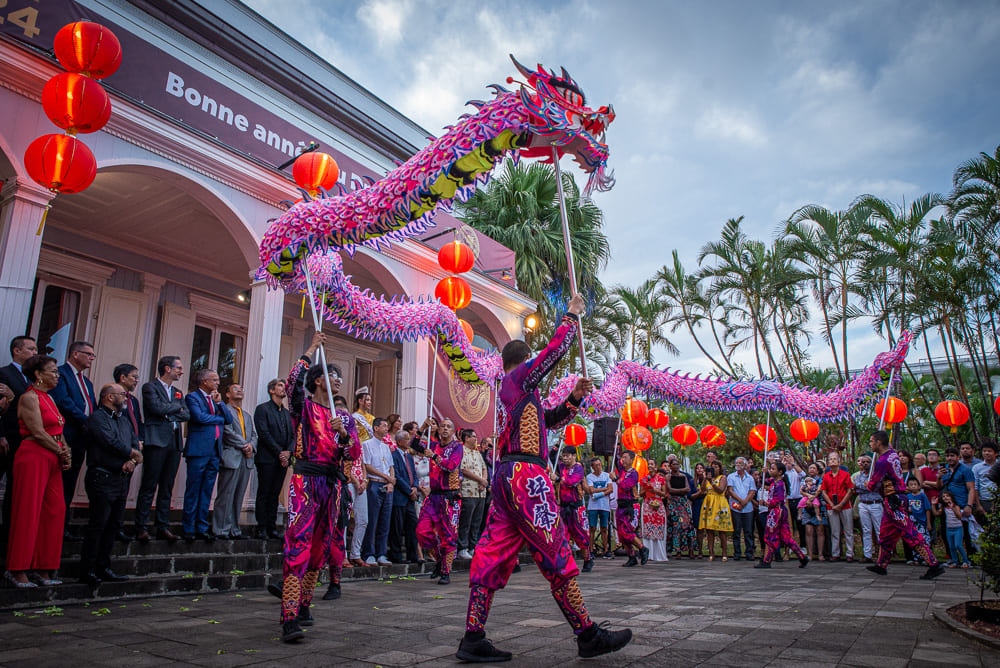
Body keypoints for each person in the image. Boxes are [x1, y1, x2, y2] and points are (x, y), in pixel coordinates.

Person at [457, 294, 632, 662]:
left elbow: (547, 421)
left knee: (490, 554)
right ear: (522, 363)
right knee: (555, 551)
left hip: (508, 476)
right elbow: (551, 354)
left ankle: (473, 637)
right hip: (525, 477)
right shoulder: (516, 379)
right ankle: (587, 633)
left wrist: (573, 399)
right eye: (530, 363)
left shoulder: (520, 395)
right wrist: (571, 315)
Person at [279, 332, 360, 642]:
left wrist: (343, 436)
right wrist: (311, 348)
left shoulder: (345, 419)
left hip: (333, 485)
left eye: (339, 377)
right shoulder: (304, 408)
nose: (337, 381)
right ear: (318, 381)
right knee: (297, 545)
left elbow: (351, 455)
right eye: (332, 376)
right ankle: (288, 618)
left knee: (320, 549)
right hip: (306, 482)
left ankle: (304, 605)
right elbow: (291, 383)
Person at [4, 355, 68, 588]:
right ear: (39, 374)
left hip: (53, 457)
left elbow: (58, 429)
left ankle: (43, 567)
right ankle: (17, 568)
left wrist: (65, 450)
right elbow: (38, 432)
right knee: (28, 511)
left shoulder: (49, 398)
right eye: (53, 372)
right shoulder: (29, 397)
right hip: (34, 454)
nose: (57, 376)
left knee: (54, 510)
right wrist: (60, 451)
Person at [80, 383, 142, 586]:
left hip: (121, 478)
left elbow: (134, 443)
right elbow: (108, 441)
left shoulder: (123, 420)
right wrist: (130, 454)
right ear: (108, 397)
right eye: (121, 395)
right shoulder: (97, 418)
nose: (125, 398)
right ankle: (87, 569)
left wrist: (132, 460)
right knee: (98, 524)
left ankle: (104, 567)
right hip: (102, 476)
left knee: (113, 525)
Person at [865, 430, 943, 579]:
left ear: (878, 443)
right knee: (886, 534)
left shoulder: (882, 462)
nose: (870, 444)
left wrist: (867, 484)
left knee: (910, 532)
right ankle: (881, 565)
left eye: (872, 441)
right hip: (892, 501)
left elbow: (873, 485)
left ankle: (933, 564)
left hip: (895, 501)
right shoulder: (893, 454)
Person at [135, 356, 189, 542]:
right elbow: (156, 408)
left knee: (167, 487)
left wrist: (170, 410)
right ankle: (141, 526)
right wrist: (175, 409)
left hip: (174, 443)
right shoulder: (150, 387)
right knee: (149, 485)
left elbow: (186, 413)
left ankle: (162, 526)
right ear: (167, 368)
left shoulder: (178, 392)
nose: (181, 371)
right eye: (179, 368)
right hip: (156, 441)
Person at [49, 340, 97, 538]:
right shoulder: (60, 374)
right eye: (89, 354)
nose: (92, 358)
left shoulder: (86, 382)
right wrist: (85, 419)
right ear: (75, 354)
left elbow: (91, 404)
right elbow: (63, 402)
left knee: (69, 482)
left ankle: (63, 524)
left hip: (81, 438)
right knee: (58, 481)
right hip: (65, 435)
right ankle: (53, 525)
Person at [182, 368, 230, 541]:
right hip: (198, 450)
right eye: (215, 380)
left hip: (214, 452)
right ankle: (188, 527)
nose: (218, 383)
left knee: (207, 491)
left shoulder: (215, 400)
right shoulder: (193, 397)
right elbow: (199, 417)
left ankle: (202, 527)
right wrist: (219, 419)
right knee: (193, 490)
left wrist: (220, 404)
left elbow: (229, 419)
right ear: (204, 381)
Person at [415, 417, 463, 584]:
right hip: (433, 496)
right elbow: (414, 445)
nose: (444, 429)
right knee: (422, 531)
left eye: (448, 426)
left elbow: (451, 466)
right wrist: (422, 427)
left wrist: (434, 457)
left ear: (452, 431)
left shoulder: (457, 447)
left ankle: (445, 571)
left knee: (448, 536)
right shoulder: (433, 445)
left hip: (449, 498)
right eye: (442, 426)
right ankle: (439, 558)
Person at [0, 336, 37, 542]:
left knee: (15, 490)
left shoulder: (31, 379)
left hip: (24, 442)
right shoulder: (4, 373)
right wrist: (1, 435)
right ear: (17, 351)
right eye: (31, 349)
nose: (34, 353)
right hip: (7, 437)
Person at [214, 384, 257, 539]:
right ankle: (221, 529)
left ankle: (234, 528)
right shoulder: (225, 411)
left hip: (246, 459)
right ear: (227, 394)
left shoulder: (246, 415)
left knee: (238, 496)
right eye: (235, 389)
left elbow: (253, 434)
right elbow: (227, 431)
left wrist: (251, 445)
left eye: (241, 389)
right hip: (231, 458)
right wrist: (244, 444)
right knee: (226, 495)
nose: (239, 391)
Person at [253, 378, 294, 539]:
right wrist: (280, 452)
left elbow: (292, 435)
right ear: (272, 390)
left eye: (284, 386)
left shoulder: (286, 413)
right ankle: (261, 526)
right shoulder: (262, 409)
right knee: (264, 492)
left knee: (275, 493)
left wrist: (288, 452)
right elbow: (264, 434)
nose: (284, 389)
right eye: (280, 386)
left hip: (282, 460)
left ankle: (272, 525)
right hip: (267, 458)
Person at [755, 461, 808, 568]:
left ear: (780, 472)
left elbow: (778, 500)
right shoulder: (774, 482)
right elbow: (764, 481)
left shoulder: (779, 484)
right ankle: (802, 557)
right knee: (785, 537)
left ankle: (767, 560)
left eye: (773, 469)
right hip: (779, 511)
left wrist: (765, 503)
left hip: (776, 512)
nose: (771, 471)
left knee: (770, 535)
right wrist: (763, 473)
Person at [554, 447, 594, 572]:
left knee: (580, 536)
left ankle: (588, 559)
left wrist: (558, 479)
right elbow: (552, 457)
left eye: (567, 456)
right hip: (563, 507)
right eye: (563, 456)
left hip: (576, 508)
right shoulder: (562, 467)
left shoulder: (578, 468)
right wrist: (556, 446)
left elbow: (571, 482)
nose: (565, 458)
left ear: (573, 456)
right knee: (562, 536)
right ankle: (565, 563)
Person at [362, 417, 394, 566]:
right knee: (372, 520)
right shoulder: (367, 445)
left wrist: (391, 481)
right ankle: (369, 553)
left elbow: (391, 466)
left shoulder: (386, 447)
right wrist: (385, 477)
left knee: (385, 522)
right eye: (384, 426)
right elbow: (367, 466)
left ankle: (381, 553)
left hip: (387, 486)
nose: (386, 428)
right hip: (374, 483)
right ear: (376, 428)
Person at [935, 446, 977, 561]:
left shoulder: (965, 470)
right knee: (946, 532)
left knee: (966, 533)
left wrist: (969, 505)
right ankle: (953, 558)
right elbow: (939, 487)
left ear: (958, 457)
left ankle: (970, 558)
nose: (950, 458)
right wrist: (939, 477)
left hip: (961, 504)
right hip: (946, 505)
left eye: (952, 456)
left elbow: (971, 489)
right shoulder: (944, 469)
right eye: (948, 456)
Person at [388, 429, 420, 564]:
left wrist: (415, 487)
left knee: (412, 525)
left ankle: (413, 555)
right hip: (400, 496)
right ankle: (396, 555)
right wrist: (409, 490)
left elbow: (414, 473)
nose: (409, 441)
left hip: (410, 497)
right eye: (407, 439)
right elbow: (398, 476)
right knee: (397, 526)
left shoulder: (409, 457)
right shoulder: (394, 455)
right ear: (400, 441)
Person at [613, 449, 647, 568]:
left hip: (630, 506)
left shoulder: (634, 473)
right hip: (621, 505)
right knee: (622, 534)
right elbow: (615, 458)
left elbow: (625, 485)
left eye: (626, 457)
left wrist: (615, 479)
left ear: (632, 460)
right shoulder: (622, 470)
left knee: (627, 531)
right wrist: (617, 445)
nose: (623, 459)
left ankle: (642, 548)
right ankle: (631, 557)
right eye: (623, 457)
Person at [458, 429, 488, 560]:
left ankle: (472, 546)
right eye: (473, 437)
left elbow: (484, 468)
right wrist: (479, 479)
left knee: (477, 521)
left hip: (480, 492)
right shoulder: (461, 451)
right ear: (466, 438)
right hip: (468, 490)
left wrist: (484, 481)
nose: (476, 439)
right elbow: (463, 469)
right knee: (466, 521)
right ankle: (462, 547)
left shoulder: (477, 453)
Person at [821, 452, 854, 562]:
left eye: (835, 459)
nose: (833, 461)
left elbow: (850, 490)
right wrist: (831, 504)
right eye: (831, 459)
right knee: (835, 531)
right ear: (828, 462)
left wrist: (841, 504)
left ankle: (850, 553)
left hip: (845, 506)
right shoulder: (826, 476)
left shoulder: (845, 475)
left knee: (848, 530)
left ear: (839, 462)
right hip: (832, 506)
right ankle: (835, 553)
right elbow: (824, 491)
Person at [852, 454, 882, 564]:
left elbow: (876, 486)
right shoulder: (859, 475)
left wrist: (867, 486)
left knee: (879, 530)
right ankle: (867, 554)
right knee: (866, 530)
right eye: (863, 462)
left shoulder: (876, 475)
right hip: (863, 503)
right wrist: (866, 486)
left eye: (867, 462)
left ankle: (881, 554)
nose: (865, 464)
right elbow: (857, 487)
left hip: (875, 504)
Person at [700, 460, 732, 561]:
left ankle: (724, 553)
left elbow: (721, 490)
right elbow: (702, 489)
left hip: (719, 504)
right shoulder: (708, 479)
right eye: (712, 467)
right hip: (709, 504)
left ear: (720, 468)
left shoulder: (722, 478)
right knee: (709, 530)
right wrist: (705, 479)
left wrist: (712, 482)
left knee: (721, 530)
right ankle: (711, 553)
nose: (714, 469)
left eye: (716, 467)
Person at [726, 457, 756, 561]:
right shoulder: (731, 477)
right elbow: (730, 490)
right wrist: (740, 500)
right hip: (735, 507)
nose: (738, 464)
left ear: (745, 465)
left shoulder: (750, 478)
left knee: (748, 531)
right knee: (736, 531)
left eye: (740, 463)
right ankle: (737, 552)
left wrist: (745, 501)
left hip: (748, 508)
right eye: (737, 463)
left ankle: (749, 552)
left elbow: (752, 491)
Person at [666, 457, 695, 559]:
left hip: (683, 502)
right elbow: (669, 489)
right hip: (673, 502)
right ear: (670, 466)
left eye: (677, 464)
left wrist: (679, 490)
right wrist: (681, 490)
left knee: (688, 524)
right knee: (676, 525)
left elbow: (688, 489)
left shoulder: (683, 476)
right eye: (674, 464)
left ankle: (691, 550)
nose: (676, 466)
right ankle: (677, 550)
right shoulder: (668, 477)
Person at [798, 464, 827, 561]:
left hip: (819, 506)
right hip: (807, 506)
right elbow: (801, 491)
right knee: (809, 531)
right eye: (810, 468)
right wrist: (808, 496)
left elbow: (819, 490)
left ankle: (820, 554)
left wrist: (812, 498)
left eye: (814, 468)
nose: (812, 469)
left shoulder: (820, 480)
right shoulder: (805, 480)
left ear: (818, 470)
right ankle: (810, 554)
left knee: (820, 530)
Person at [586, 457, 612, 559]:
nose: (599, 467)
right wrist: (605, 489)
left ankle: (606, 549)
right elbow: (591, 490)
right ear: (592, 467)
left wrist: (599, 493)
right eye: (596, 465)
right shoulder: (589, 477)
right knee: (592, 528)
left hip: (604, 506)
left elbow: (611, 489)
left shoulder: (606, 475)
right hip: (593, 506)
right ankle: (591, 549)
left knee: (604, 527)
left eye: (600, 465)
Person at [905, 477, 932, 564]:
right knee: (914, 540)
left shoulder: (922, 496)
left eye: (915, 484)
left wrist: (928, 522)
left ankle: (926, 557)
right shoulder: (908, 497)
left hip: (922, 521)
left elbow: (927, 509)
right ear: (908, 487)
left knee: (924, 540)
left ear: (919, 486)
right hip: (912, 522)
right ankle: (917, 558)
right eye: (911, 485)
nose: (913, 486)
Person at [941, 490, 971, 568]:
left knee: (958, 545)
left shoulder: (956, 506)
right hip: (949, 529)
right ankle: (955, 561)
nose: (945, 498)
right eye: (943, 496)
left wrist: (953, 509)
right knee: (951, 546)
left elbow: (959, 517)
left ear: (951, 497)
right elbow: (936, 513)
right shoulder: (944, 508)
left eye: (947, 496)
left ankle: (965, 561)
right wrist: (933, 505)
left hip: (958, 528)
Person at [973, 442, 997, 518]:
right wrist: (978, 505)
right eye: (984, 451)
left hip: (998, 499)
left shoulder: (998, 465)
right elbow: (975, 487)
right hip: (984, 500)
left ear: (996, 453)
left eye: (989, 451)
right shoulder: (977, 468)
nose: (986, 453)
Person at [690, 462, 708, 558]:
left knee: (709, 529)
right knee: (699, 529)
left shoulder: (708, 481)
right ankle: (699, 551)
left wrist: (705, 479)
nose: (700, 469)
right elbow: (691, 496)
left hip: (708, 504)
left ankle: (710, 550)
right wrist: (700, 492)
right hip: (697, 505)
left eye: (701, 468)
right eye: (698, 468)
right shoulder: (692, 482)